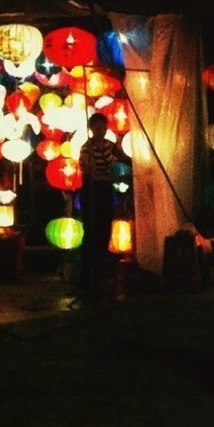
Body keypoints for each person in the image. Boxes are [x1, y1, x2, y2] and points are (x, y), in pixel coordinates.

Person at [77, 114, 120, 293]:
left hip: (105, 190)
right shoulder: (86, 148)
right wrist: (110, 177)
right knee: (92, 231)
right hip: (92, 191)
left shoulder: (110, 146)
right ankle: (88, 274)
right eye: (97, 128)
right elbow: (90, 172)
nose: (100, 131)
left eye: (103, 128)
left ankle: (101, 271)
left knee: (105, 229)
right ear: (91, 128)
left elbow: (122, 160)